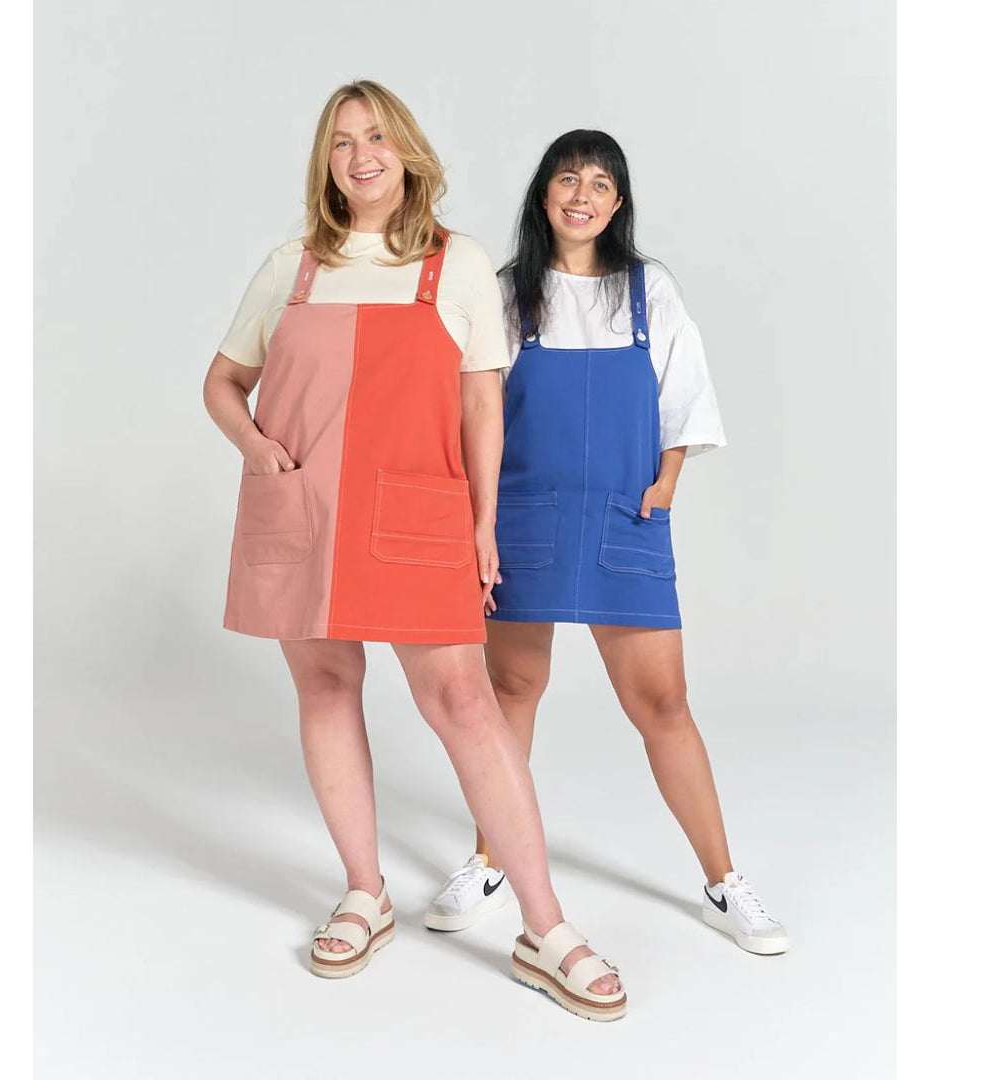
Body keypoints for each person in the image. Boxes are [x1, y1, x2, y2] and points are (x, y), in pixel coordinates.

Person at [203, 84, 626, 1020]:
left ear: (409, 154)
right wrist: (258, 450)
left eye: (377, 138)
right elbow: (224, 381)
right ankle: (365, 892)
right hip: (305, 508)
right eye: (342, 142)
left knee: (465, 703)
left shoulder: (456, 262)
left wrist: (482, 521)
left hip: (419, 513)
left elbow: (482, 401)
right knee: (325, 687)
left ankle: (545, 927)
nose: (361, 156)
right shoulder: (291, 267)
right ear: (325, 163)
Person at [425, 130, 788, 956]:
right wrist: (479, 519)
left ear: (617, 202)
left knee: (662, 703)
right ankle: (489, 861)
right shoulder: (508, 294)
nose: (581, 195)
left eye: (599, 183)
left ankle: (724, 883)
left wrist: (665, 486)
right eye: (567, 179)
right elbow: (474, 410)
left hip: (628, 519)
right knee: (510, 691)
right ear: (543, 194)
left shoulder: (648, 290)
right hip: (524, 520)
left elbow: (684, 397)